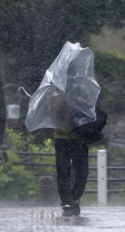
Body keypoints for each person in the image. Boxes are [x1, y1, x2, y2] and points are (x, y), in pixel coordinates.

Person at [47, 66, 94, 217]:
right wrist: (61, 97)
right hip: (61, 136)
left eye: (71, 78)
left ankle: (75, 198)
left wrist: (84, 102)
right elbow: (52, 113)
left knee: (82, 171)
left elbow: (91, 107)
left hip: (79, 136)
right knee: (63, 170)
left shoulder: (81, 89)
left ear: (74, 77)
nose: (69, 81)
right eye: (66, 78)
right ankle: (66, 202)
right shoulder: (54, 91)